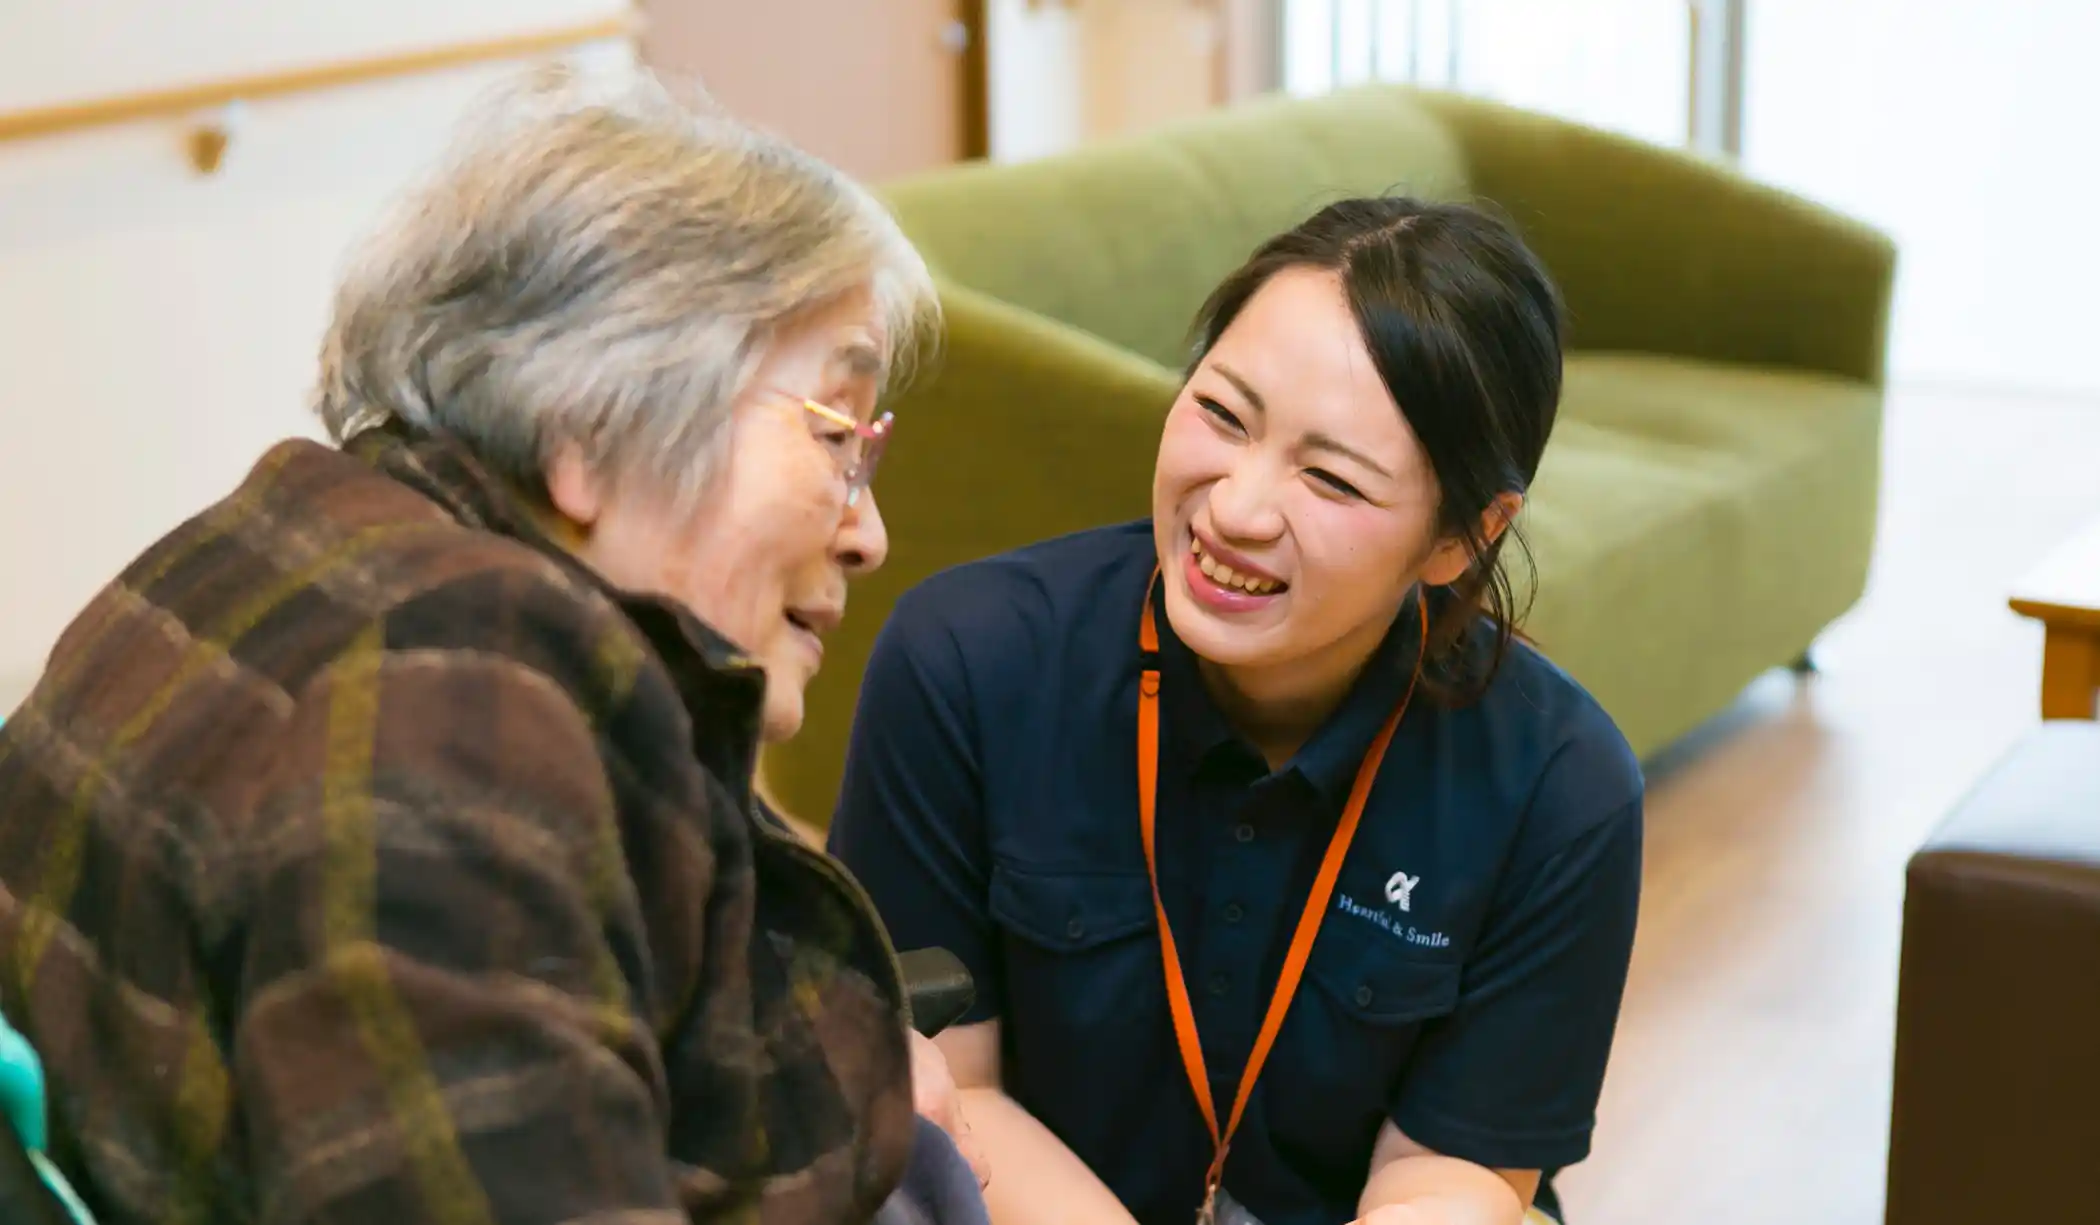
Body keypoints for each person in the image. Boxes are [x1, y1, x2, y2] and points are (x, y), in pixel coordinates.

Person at [0, 64, 980, 1225]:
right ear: (591, 422)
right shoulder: (459, 706)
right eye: (835, 434)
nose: (868, 532)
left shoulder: (280, 543)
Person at [825, 198, 1645, 1225]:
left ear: (1462, 538)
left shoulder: (1561, 786)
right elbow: (954, 1092)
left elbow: (1453, 1172)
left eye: (1332, 479)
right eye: (1222, 414)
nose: (1235, 511)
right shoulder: (965, 662)